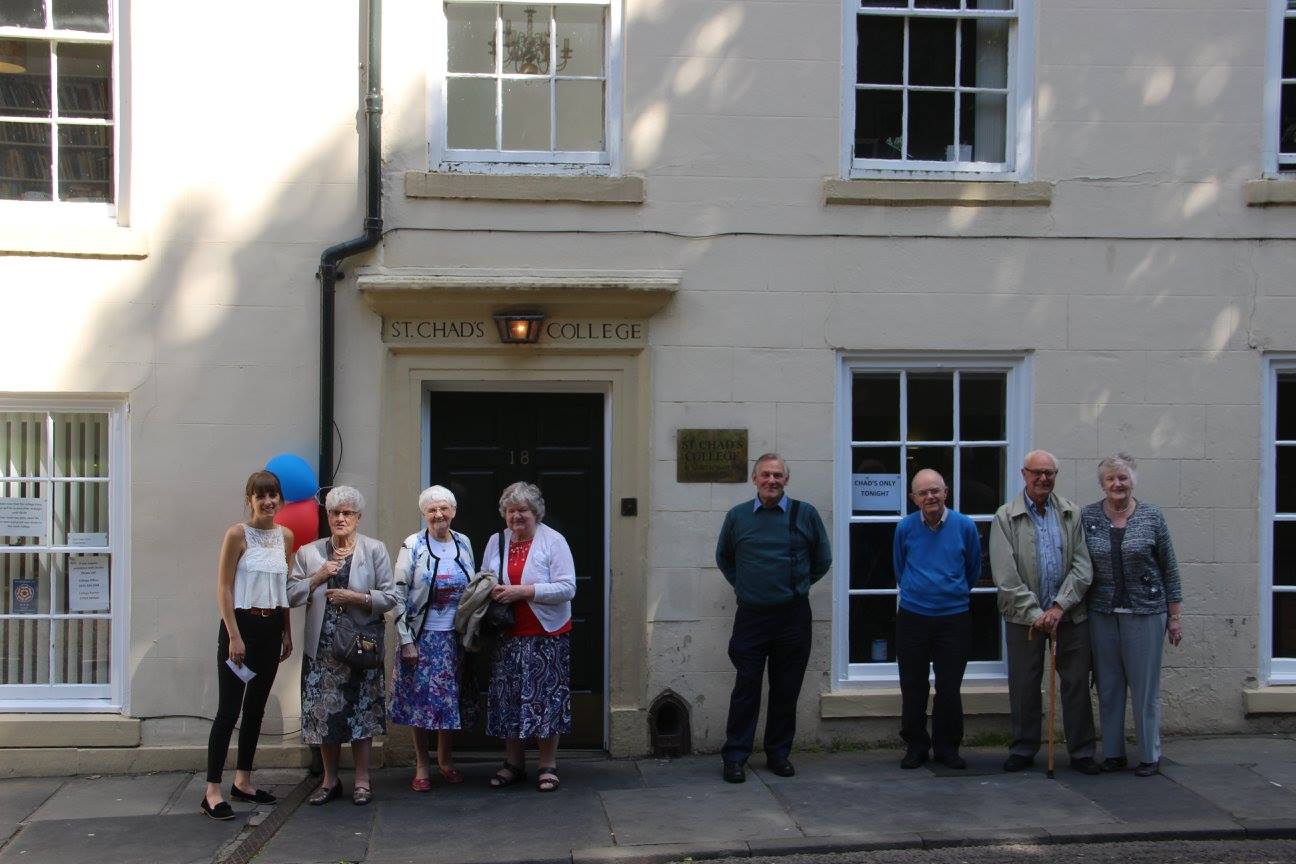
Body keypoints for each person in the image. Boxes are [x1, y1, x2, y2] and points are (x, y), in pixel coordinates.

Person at [715, 453, 832, 784]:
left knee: (786, 688)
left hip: (792, 616)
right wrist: (746, 585)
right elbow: (724, 558)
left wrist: (797, 586)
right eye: (765, 475)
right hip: (751, 615)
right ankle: (736, 756)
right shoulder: (737, 517)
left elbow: (822, 559)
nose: (772, 480)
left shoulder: (804, 514)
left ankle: (778, 753)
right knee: (746, 686)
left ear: (786, 480)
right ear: (754, 479)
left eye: (778, 475)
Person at [989, 450, 1100, 775]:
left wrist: (1058, 606)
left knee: (1076, 682)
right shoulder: (1005, 517)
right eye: (1037, 472)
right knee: (1024, 683)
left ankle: (1081, 751)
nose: (1043, 479)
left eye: (1049, 473)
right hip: (1024, 618)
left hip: (1069, 615)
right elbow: (1006, 577)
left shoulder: (1070, 513)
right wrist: (1036, 613)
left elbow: (1083, 566)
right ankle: (1024, 747)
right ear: (1024, 474)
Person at [288, 486, 396, 806]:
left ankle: (362, 780)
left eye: (347, 513)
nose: (340, 518)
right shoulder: (309, 553)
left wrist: (355, 597)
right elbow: (291, 595)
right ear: (327, 515)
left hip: (360, 645)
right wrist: (319, 576)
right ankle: (330, 780)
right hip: (322, 651)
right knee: (324, 716)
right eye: (335, 512)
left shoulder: (374, 550)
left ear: (358, 518)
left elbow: (390, 597)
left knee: (362, 711)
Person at [1081, 454, 1184, 777]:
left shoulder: (1152, 516)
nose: (1117, 484)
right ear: (1102, 484)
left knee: (1144, 689)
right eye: (1110, 479)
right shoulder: (1088, 517)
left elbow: (1169, 566)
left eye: (1123, 478)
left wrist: (1175, 615)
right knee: (1109, 686)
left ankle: (1150, 755)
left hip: (1146, 613)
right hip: (1102, 613)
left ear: (1132, 481)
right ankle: (1113, 753)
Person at [203, 470, 295, 820]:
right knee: (229, 710)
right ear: (250, 499)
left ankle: (243, 780)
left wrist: (287, 632)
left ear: (281, 500)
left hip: (271, 627)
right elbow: (224, 587)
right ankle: (212, 790)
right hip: (240, 626)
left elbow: (284, 588)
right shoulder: (237, 534)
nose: (269, 502)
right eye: (261, 496)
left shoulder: (286, 536)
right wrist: (234, 635)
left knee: (255, 708)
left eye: (274, 496)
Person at [479, 481, 576, 793]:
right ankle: (513, 763)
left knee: (545, 700)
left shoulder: (554, 541)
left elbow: (567, 587)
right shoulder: (496, 541)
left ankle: (548, 765)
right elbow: (483, 579)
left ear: (536, 513)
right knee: (509, 700)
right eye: (510, 511)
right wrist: (489, 588)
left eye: (523, 510)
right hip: (507, 635)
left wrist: (525, 592)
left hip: (545, 636)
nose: (516, 516)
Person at [892, 468, 982, 770]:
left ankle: (947, 748)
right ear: (913, 499)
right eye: (923, 492)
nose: (930, 496)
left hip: (953, 617)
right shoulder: (904, 528)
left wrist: (950, 593)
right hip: (913, 616)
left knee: (949, 686)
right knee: (913, 684)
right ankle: (916, 746)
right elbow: (899, 567)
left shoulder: (965, 526)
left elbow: (973, 569)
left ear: (946, 492)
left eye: (935, 490)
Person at [390, 485, 475, 791]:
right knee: (420, 703)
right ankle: (422, 764)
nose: (439, 515)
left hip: (455, 639)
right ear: (424, 513)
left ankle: (445, 760)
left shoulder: (463, 542)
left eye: (444, 509)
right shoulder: (413, 544)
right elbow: (397, 593)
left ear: (453, 511)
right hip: (422, 638)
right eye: (432, 510)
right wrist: (406, 639)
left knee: (449, 702)